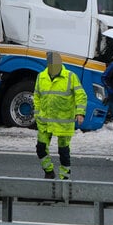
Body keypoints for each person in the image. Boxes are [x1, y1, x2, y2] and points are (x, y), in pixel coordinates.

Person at [33, 51, 87, 180]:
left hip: (64, 122)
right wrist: (37, 113)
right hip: (45, 121)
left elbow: (81, 95)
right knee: (40, 148)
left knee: (63, 151)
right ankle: (49, 171)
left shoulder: (70, 77)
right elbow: (37, 96)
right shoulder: (41, 77)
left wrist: (80, 113)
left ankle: (65, 177)